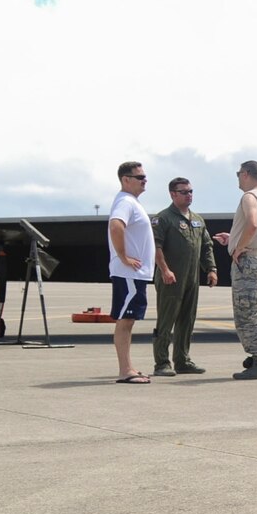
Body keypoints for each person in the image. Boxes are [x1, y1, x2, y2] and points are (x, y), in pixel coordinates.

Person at [212, 160, 257, 380]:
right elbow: (255, 229)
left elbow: (253, 223)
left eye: (239, 173)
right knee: (256, 312)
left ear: (246, 174)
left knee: (246, 315)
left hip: (247, 262)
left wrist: (238, 248)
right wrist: (233, 240)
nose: (238, 177)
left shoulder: (249, 197)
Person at [151, 176, 216, 375]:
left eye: (190, 191)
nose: (189, 195)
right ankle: (161, 362)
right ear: (172, 194)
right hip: (170, 277)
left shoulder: (197, 219)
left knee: (187, 319)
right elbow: (156, 246)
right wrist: (165, 270)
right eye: (184, 192)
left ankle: (182, 360)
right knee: (166, 319)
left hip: (191, 278)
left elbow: (206, 246)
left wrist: (212, 269)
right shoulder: (163, 218)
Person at [108, 161, 156, 383]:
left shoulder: (132, 202)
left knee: (129, 320)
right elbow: (116, 226)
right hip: (129, 273)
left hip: (136, 274)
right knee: (125, 321)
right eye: (140, 177)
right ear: (126, 179)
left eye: (145, 177)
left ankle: (128, 368)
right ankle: (125, 370)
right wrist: (124, 256)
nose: (144, 180)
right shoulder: (125, 202)